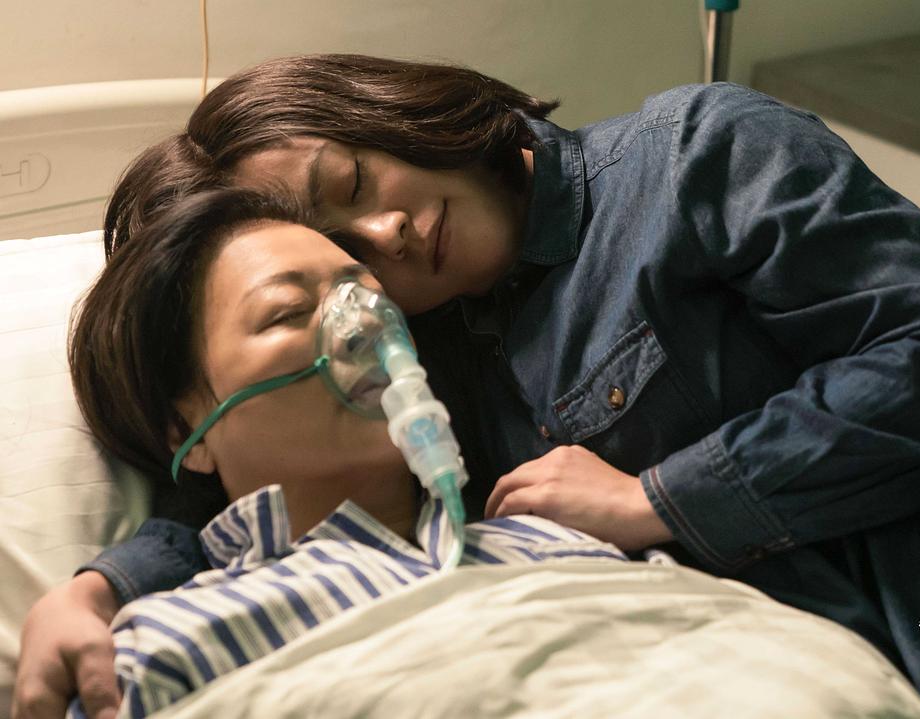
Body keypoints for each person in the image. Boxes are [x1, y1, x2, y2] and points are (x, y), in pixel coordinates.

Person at [13, 54, 920, 719]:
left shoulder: (698, 155)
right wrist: (99, 587)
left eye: (356, 182)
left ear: (381, 108)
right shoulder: (424, 355)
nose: (389, 237)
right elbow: (250, 478)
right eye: (346, 259)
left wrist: (659, 499)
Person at [61, 187, 634, 718]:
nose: (362, 326)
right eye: (287, 311)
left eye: (368, 295)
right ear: (187, 430)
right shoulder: (166, 649)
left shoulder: (553, 540)